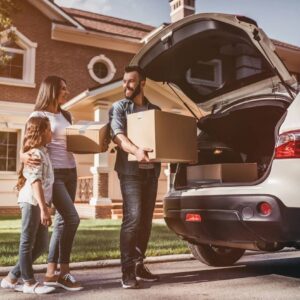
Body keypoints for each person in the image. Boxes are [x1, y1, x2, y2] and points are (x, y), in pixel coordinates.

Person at [22, 76, 82, 291]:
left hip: (71, 171)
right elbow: (27, 147)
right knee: (72, 218)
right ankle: (61, 271)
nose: (67, 92)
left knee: (63, 222)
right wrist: (22, 157)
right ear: (52, 90)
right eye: (63, 88)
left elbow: (70, 142)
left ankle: (53, 272)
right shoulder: (37, 115)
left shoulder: (66, 115)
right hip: (53, 174)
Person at [109, 65, 161, 289]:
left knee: (146, 221)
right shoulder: (120, 107)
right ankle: (127, 270)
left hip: (151, 173)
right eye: (124, 81)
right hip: (130, 172)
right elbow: (118, 135)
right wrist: (136, 150)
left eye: (131, 81)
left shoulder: (154, 110)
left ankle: (139, 264)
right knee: (133, 218)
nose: (126, 86)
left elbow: (164, 139)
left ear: (142, 83)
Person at [0, 116, 55, 294]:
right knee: (27, 242)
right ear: (41, 133)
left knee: (41, 245)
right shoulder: (35, 154)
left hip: (38, 202)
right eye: (48, 129)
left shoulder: (43, 152)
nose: (51, 132)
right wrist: (44, 209)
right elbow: (35, 181)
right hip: (32, 202)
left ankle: (11, 278)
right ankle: (29, 283)